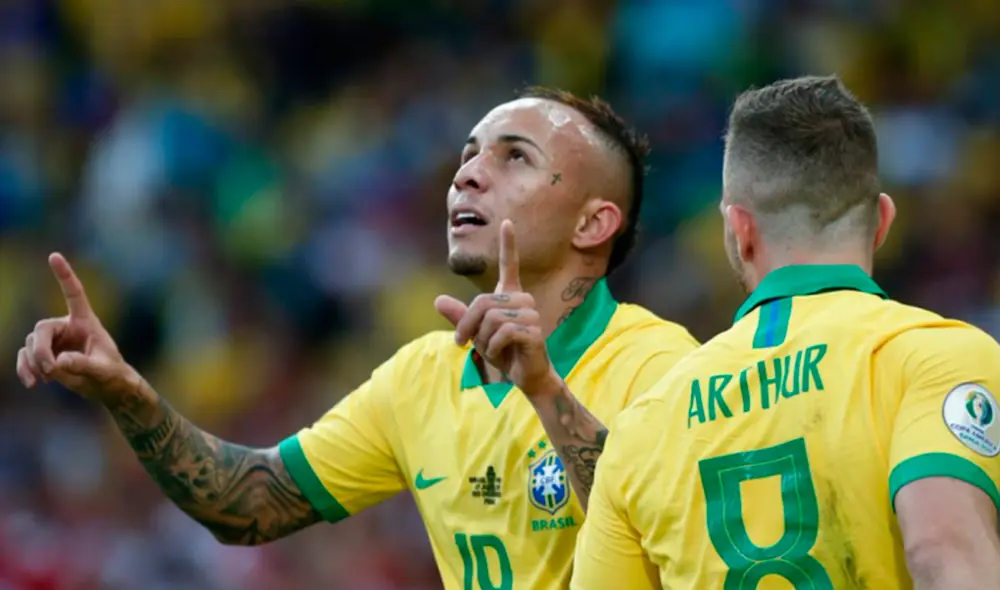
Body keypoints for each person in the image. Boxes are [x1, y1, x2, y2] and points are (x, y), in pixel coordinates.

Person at [16, 87, 699, 590]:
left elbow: (676, 538)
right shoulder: (421, 377)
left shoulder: (663, 365)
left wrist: (546, 392)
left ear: (592, 223)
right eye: (468, 155)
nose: (466, 173)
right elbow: (249, 502)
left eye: (514, 157)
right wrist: (127, 392)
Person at [571, 76, 1000, 590]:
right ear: (882, 221)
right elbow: (941, 549)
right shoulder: (935, 358)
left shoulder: (642, 425)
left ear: (739, 230)